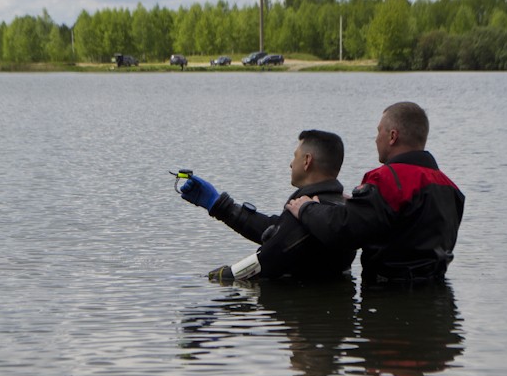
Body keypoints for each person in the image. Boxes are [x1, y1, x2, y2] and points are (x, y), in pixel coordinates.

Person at [286, 102, 465, 284]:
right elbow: (406, 227)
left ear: (392, 136)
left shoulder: (387, 178)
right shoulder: (451, 188)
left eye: (379, 131)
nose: (376, 139)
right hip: (437, 291)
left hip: (390, 293)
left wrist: (307, 208)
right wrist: (361, 205)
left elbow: (344, 231)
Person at [179, 130, 356, 281]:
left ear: (307, 161)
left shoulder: (309, 214)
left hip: (299, 312)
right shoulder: (341, 209)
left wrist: (214, 277)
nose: (291, 163)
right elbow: (277, 231)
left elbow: (264, 260)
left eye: (295, 156)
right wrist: (220, 205)